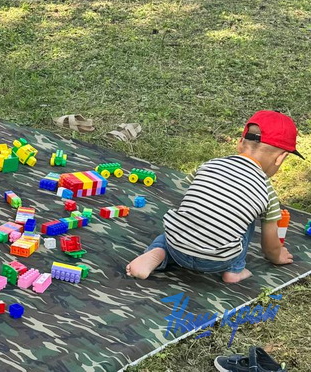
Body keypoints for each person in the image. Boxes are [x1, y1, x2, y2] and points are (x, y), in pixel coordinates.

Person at [127, 110, 299, 284]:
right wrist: (277, 255)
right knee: (248, 218)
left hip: (177, 247)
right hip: (217, 262)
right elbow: (269, 246)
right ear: (280, 158)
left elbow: (194, 192)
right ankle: (235, 270)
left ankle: (159, 251)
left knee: (188, 216)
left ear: (240, 143)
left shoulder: (211, 164)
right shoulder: (266, 191)